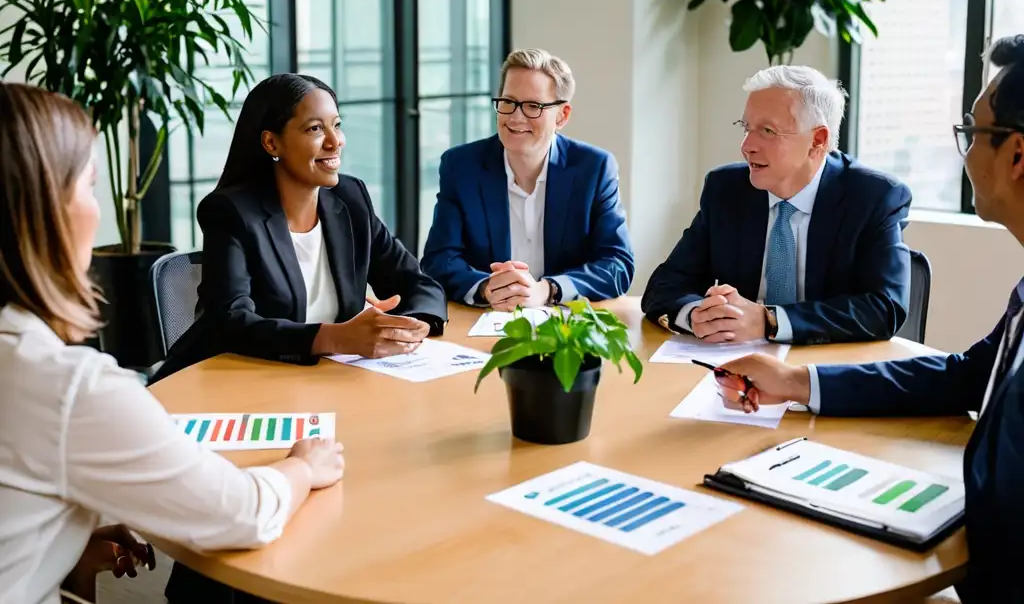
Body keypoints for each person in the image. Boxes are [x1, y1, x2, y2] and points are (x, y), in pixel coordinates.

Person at [0, 82, 344, 604]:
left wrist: (63, 535)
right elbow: (241, 514)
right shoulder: (65, 386)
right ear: (43, 213)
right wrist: (303, 466)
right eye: (90, 187)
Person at [712, 35, 1024, 603]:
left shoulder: (874, 196)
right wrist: (798, 382)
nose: (966, 151)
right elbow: (963, 374)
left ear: (1017, 156)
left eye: (972, 134)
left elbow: (885, 308)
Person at [154, 73, 448, 380]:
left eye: (337, 124)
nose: (335, 142)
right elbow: (231, 323)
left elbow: (418, 284)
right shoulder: (232, 213)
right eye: (316, 129)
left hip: (319, 380)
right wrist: (338, 337)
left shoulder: (351, 200)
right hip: (233, 383)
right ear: (271, 142)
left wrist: (412, 326)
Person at [642, 65, 911, 345]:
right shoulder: (726, 189)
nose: (747, 146)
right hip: (734, 365)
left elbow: (884, 308)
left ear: (817, 140)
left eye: (768, 131)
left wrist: (769, 321)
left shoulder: (873, 197)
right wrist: (696, 315)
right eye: (746, 128)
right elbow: (664, 286)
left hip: (824, 371)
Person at [422, 49, 634, 309]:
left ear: (562, 116)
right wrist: (489, 288)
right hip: (488, 319)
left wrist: (547, 289)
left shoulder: (594, 168)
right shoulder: (462, 166)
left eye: (533, 106)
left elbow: (617, 265)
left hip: (567, 323)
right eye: (508, 101)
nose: (515, 116)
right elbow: (439, 260)